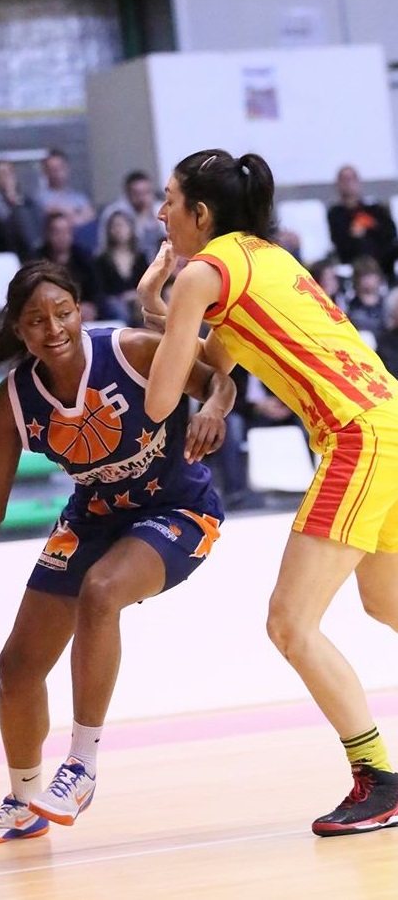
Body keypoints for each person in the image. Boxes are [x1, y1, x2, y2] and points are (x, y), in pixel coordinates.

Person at [0, 260, 235, 848]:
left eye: (63, 312)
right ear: (19, 329)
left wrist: (213, 408)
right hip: (93, 516)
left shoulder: (131, 350)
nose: (53, 327)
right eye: (36, 320)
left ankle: (81, 767)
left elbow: (218, 375)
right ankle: (24, 802)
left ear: (79, 310)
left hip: (179, 509)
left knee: (102, 591)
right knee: (18, 665)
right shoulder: (14, 400)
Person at [137, 148, 398, 838]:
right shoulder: (264, 254)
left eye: (168, 200)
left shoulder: (201, 271)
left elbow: (164, 395)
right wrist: (215, 395)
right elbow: (220, 366)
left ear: (199, 212)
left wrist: (148, 305)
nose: (159, 213)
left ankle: (380, 781)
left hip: (354, 437)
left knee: (289, 622)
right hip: (385, 419)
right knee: (383, 600)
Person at [327, 164, 398, 285]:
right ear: (338, 184)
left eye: (352, 178)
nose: (349, 183)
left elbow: (390, 232)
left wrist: (368, 231)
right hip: (354, 255)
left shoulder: (375, 208)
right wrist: (355, 235)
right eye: (344, 179)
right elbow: (338, 240)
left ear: (359, 181)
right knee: (362, 245)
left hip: (384, 256)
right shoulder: (336, 213)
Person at [0, 159, 44, 262]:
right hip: (2, 253)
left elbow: (34, 227)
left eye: (9, 173)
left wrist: (16, 203)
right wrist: (12, 205)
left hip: (29, 252)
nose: (6, 178)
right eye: (1, 173)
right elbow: (3, 232)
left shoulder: (26, 201)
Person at [97, 170, 165, 265]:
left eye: (147, 192)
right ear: (127, 194)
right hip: (130, 264)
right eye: (137, 194)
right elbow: (105, 246)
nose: (142, 198)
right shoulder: (114, 213)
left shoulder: (160, 209)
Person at [94, 210, 148, 326]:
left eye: (122, 225)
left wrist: (135, 295)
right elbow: (100, 290)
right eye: (115, 226)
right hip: (113, 302)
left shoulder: (141, 258)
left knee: (143, 307)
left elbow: (148, 283)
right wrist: (120, 298)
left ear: (131, 228)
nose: (119, 230)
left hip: (137, 300)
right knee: (119, 310)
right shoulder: (101, 260)